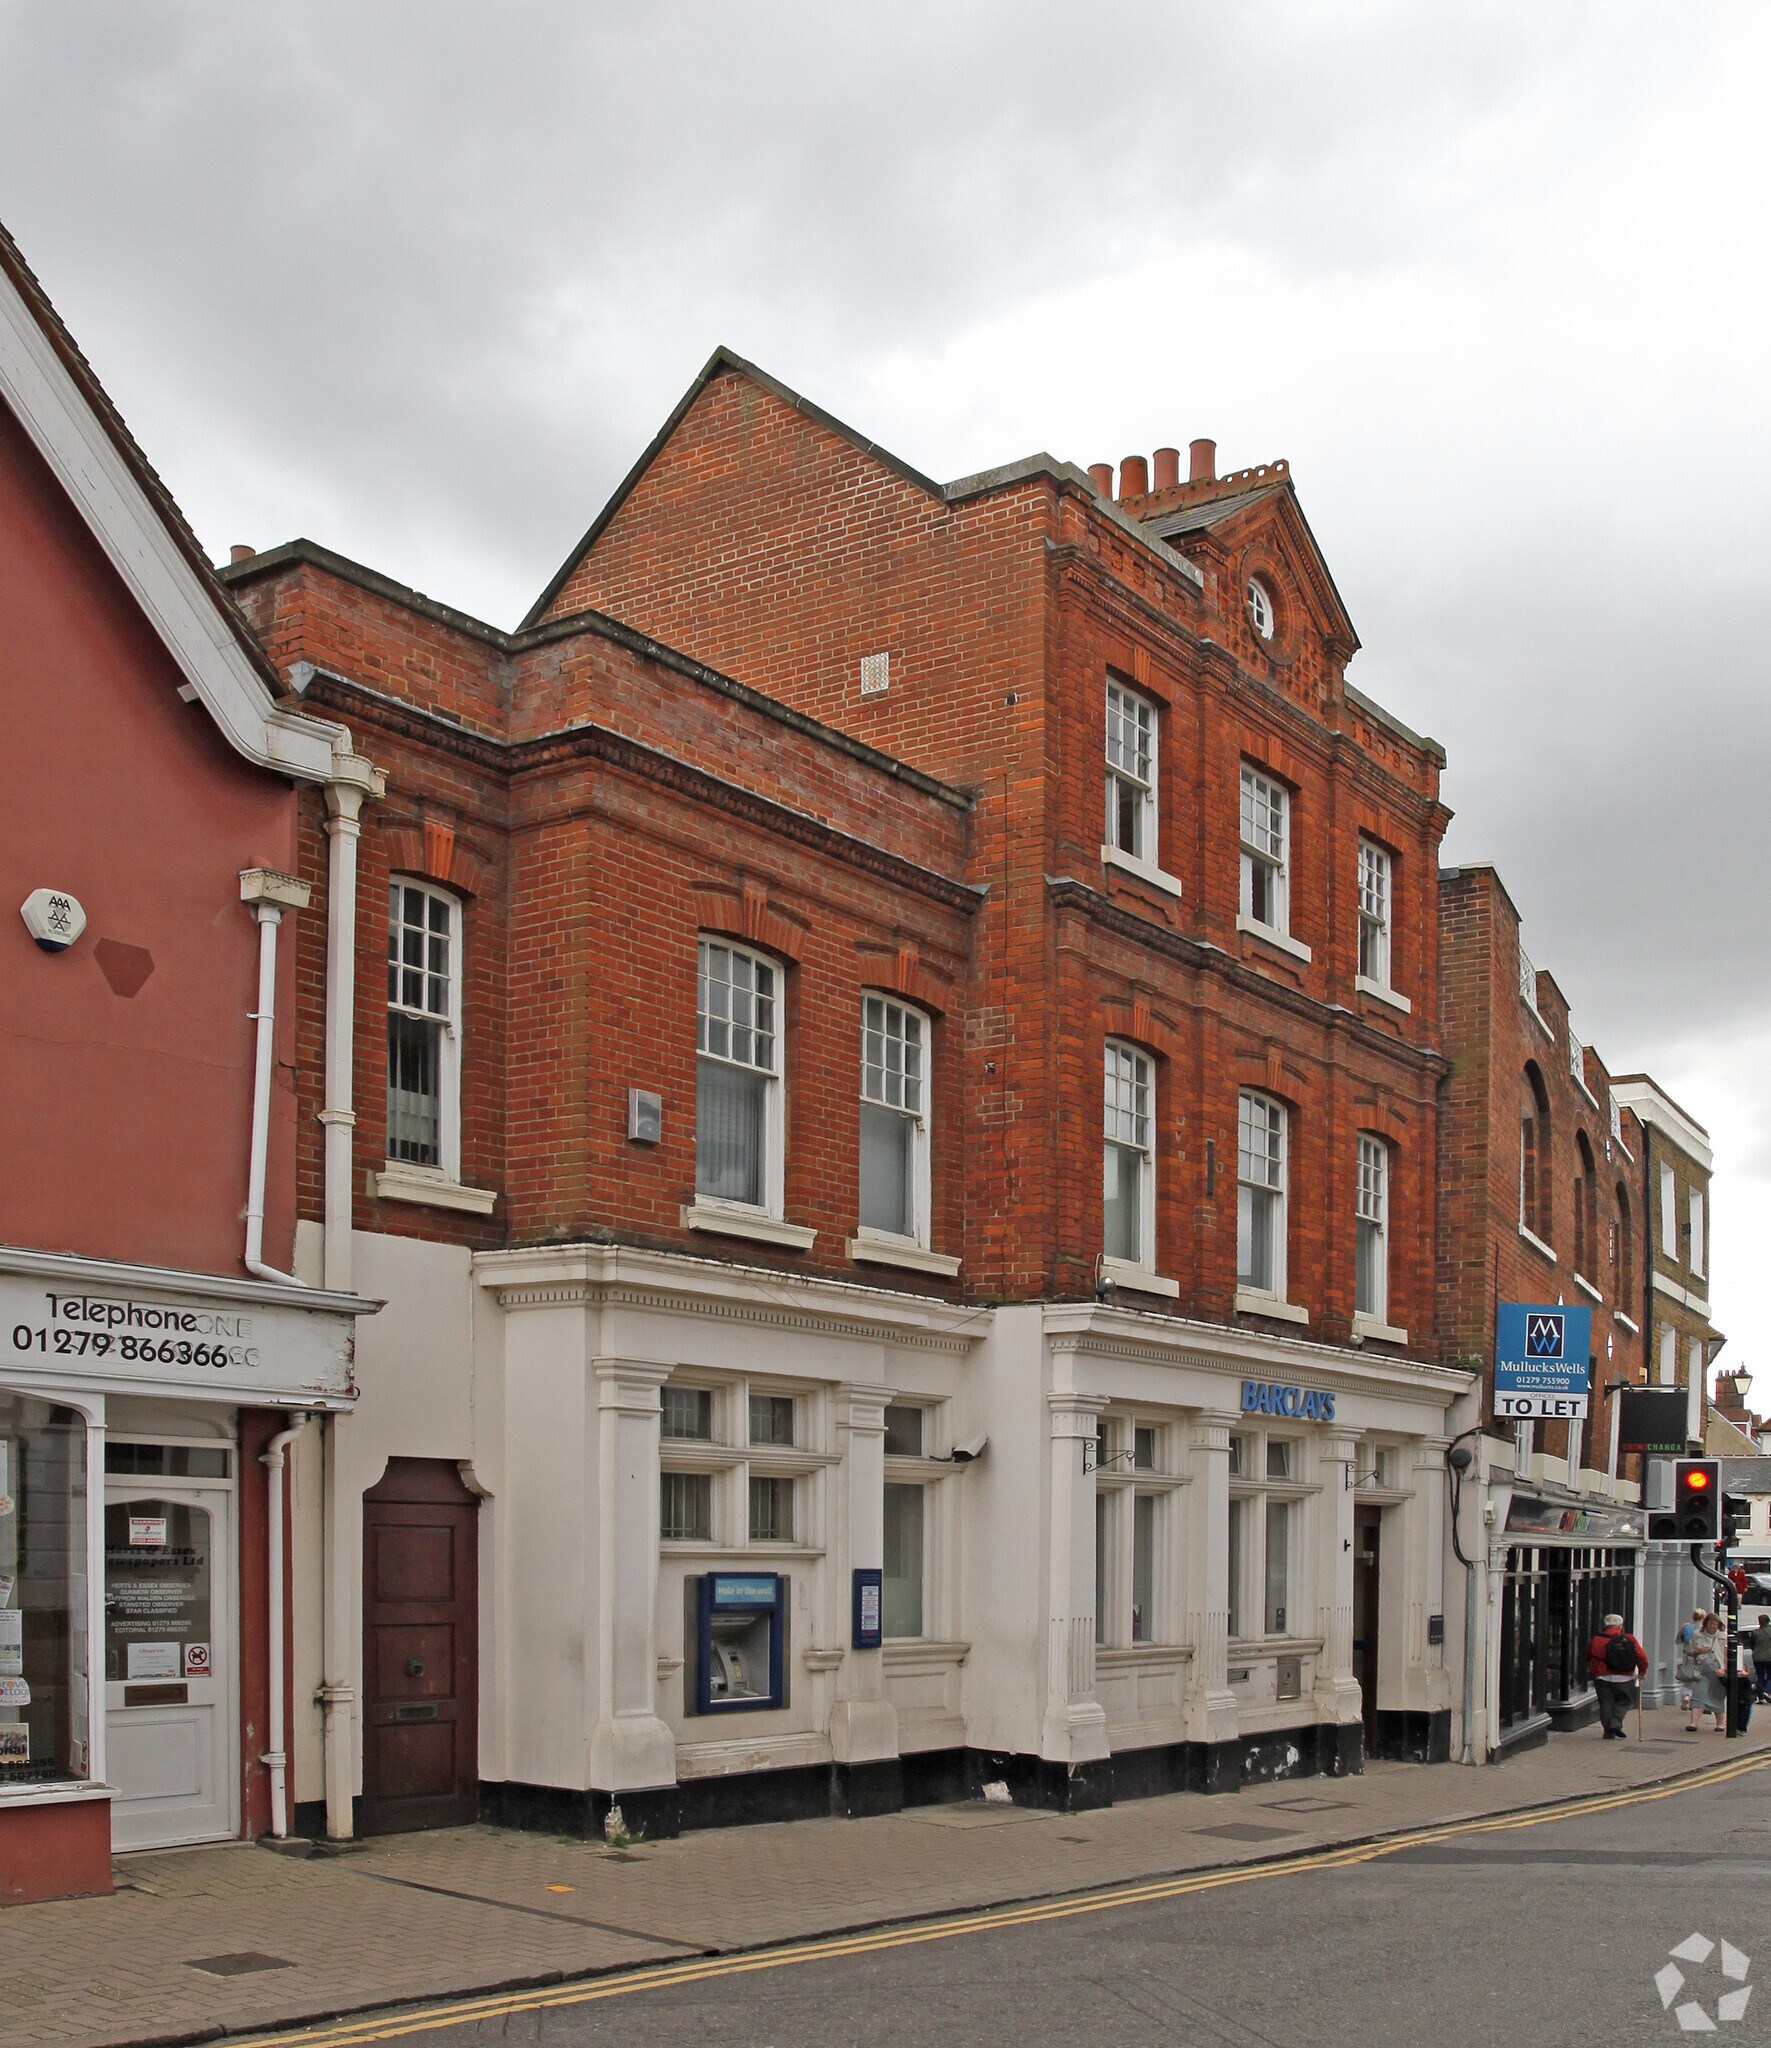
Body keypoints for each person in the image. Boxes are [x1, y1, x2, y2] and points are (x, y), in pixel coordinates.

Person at [1589, 1612, 1648, 1739]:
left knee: (1605, 1703)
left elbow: (1589, 1656)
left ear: (1605, 1625)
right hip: (1625, 1677)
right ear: (1620, 1626)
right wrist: (1642, 1671)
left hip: (1602, 1677)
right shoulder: (1629, 1639)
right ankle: (1616, 1722)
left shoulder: (1597, 1640)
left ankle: (1608, 1731)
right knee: (1624, 1700)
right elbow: (1641, 1657)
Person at [1689, 1612, 1730, 1731]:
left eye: (1715, 1624)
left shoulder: (1723, 1636)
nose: (1713, 1626)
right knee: (1698, 1693)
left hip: (1718, 1670)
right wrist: (1698, 1651)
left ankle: (1720, 1724)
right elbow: (1690, 1651)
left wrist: (1725, 1668)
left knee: (1717, 1696)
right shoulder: (1697, 1634)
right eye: (1711, 1623)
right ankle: (1693, 1724)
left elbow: (1727, 1654)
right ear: (1706, 1623)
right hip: (1702, 1669)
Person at [1753, 1613, 1771, 1704]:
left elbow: (1752, 1644)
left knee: (1760, 1676)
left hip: (1757, 1657)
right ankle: (1767, 1691)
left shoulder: (1755, 1632)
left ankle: (1760, 1697)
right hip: (1769, 1657)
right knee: (1770, 1676)